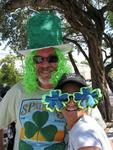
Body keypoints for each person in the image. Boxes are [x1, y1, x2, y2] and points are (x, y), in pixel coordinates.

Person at [0, 11, 72, 150]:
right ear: (31, 63)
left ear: (60, 61)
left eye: (52, 58)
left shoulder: (73, 91)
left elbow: (94, 131)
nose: (45, 65)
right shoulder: (18, 91)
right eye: (38, 59)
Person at [54, 73, 112, 150]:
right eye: (64, 97)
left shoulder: (82, 130)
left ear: (87, 100)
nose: (71, 102)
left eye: (78, 97)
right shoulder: (83, 125)